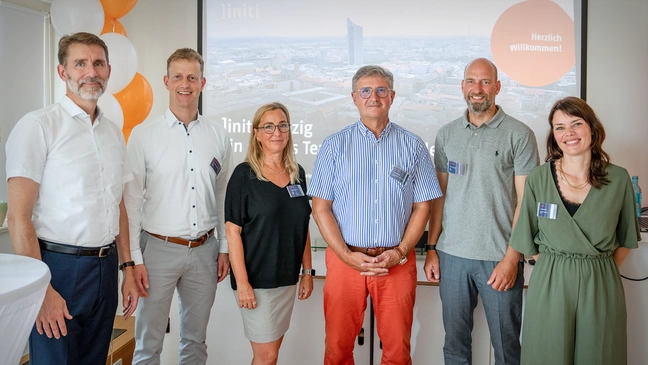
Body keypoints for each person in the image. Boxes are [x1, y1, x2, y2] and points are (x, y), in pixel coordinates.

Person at [5, 32, 139, 365]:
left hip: (106, 268)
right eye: (80, 63)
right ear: (62, 72)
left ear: (108, 70)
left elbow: (117, 204)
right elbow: (17, 216)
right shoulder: (38, 126)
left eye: (98, 63)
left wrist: (127, 267)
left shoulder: (112, 132)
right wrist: (41, 289)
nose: (91, 72)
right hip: (58, 268)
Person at [309, 65, 442, 365]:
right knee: (338, 350)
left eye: (381, 90)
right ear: (354, 97)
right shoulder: (334, 146)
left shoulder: (413, 146)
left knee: (397, 352)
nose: (374, 97)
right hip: (346, 263)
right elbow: (321, 208)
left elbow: (424, 206)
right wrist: (345, 255)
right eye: (365, 91)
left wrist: (400, 251)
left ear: (392, 97)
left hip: (396, 263)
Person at [424, 57, 539, 365]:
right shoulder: (447, 134)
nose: (478, 89)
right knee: (455, 345)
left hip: (499, 258)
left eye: (485, 82)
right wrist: (433, 248)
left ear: (497, 87)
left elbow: (526, 202)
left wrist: (512, 258)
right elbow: (439, 198)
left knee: (506, 346)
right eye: (471, 81)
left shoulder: (520, 134)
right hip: (452, 257)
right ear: (462, 86)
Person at [509, 96, 640, 365]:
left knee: (599, 355)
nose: (568, 133)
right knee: (548, 355)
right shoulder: (538, 179)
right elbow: (525, 238)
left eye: (576, 123)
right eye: (559, 127)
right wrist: (557, 267)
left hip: (601, 282)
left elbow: (626, 239)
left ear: (592, 127)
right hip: (550, 283)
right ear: (553, 135)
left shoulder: (618, 179)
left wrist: (597, 270)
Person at [124, 48, 233, 364]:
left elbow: (223, 194)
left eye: (192, 77)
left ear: (202, 82)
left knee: (195, 343)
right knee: (148, 344)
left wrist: (223, 247)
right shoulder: (144, 136)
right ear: (166, 81)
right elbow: (131, 202)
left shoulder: (219, 135)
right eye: (178, 77)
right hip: (156, 250)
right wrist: (133, 259)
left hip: (204, 250)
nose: (185, 84)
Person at [225, 102, 314, 365]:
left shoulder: (297, 174)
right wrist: (242, 284)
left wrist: (307, 272)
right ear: (257, 133)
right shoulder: (244, 175)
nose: (277, 132)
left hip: (286, 278)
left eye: (282, 125)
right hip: (256, 281)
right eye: (269, 126)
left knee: (271, 356)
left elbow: (303, 226)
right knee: (266, 356)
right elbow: (232, 232)